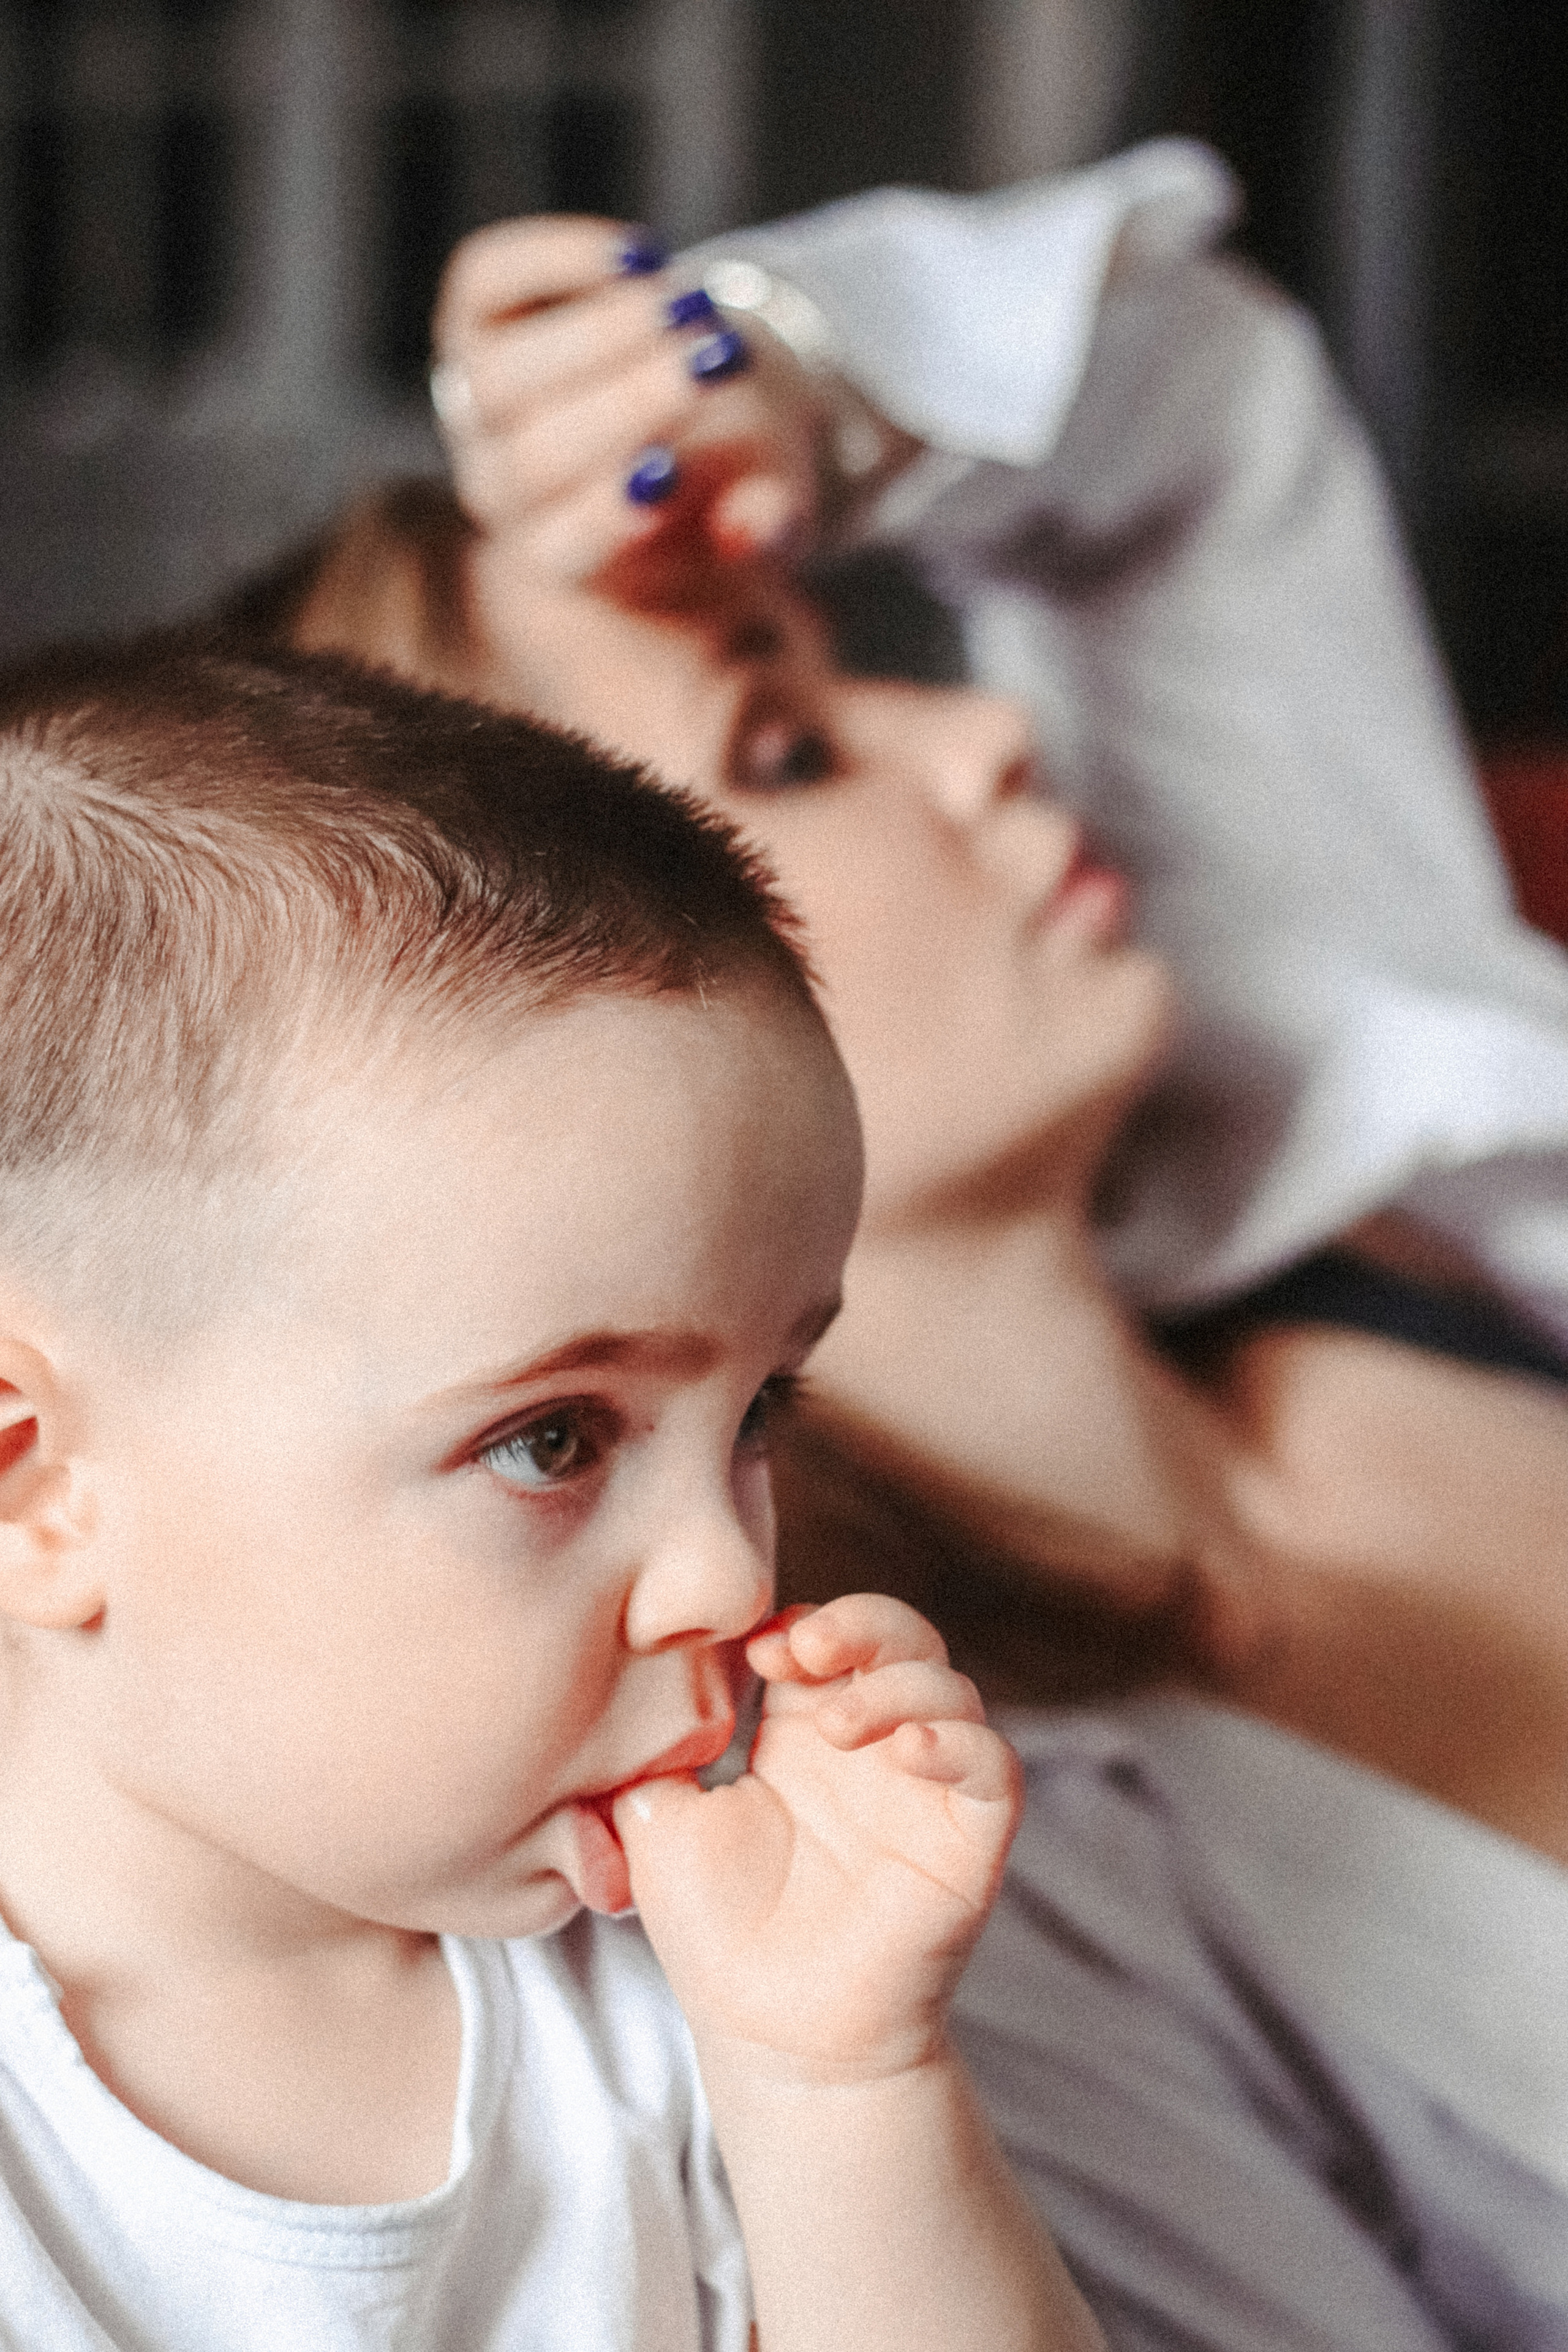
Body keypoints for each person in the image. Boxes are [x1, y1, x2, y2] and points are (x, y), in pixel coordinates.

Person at [215, 162, 1568, 2349]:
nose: (990, 731)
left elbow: (1191, 400)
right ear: (617, 1042)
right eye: (790, 743)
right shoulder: (949, 1900)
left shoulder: (1335, 1151)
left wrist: (785, 374)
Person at [0, 638, 1101, 2352]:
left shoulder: (695, 1993)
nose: (730, 1577)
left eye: (762, 1405)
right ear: (35, 1485)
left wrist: (839, 2079)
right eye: (555, 1440)